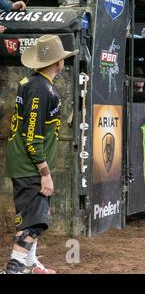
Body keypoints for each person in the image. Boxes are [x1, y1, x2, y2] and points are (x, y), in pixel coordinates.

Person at [3, 35, 78, 274]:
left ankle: (29, 264)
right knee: (34, 223)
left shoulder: (31, 82)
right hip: (29, 166)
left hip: (25, 163)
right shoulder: (41, 88)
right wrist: (44, 172)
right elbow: (32, 135)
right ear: (58, 62)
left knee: (34, 216)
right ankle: (14, 268)